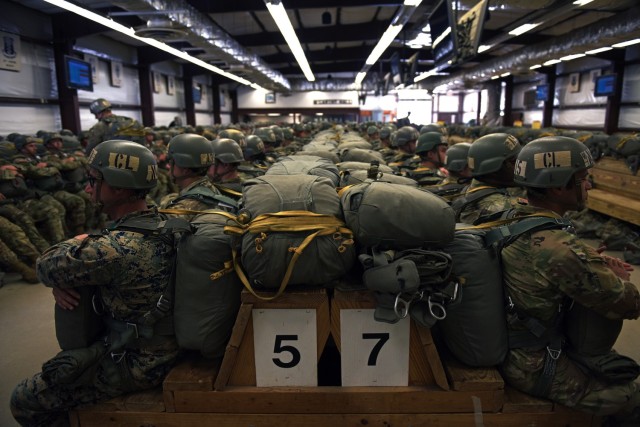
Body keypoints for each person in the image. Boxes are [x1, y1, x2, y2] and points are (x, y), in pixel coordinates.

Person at [10, 140, 179, 426]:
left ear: (120, 187)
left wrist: (78, 242)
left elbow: (46, 266)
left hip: (137, 362)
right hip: (165, 347)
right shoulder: (167, 223)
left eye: (94, 180)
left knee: (25, 399)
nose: (88, 188)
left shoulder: (110, 249)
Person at [501, 136, 640, 423]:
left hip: (517, 346)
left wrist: (589, 263)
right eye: (583, 178)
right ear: (557, 185)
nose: (589, 185)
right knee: (629, 395)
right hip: (533, 364)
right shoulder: (560, 249)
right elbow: (627, 304)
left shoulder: (513, 215)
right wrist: (617, 278)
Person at [456, 133, 526, 224]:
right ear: (495, 170)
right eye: (514, 162)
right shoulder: (500, 207)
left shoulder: (475, 188)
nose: (520, 166)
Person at [160, 133, 232, 220]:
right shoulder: (211, 190)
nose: (168, 167)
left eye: (171, 162)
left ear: (185, 167)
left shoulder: (183, 209)